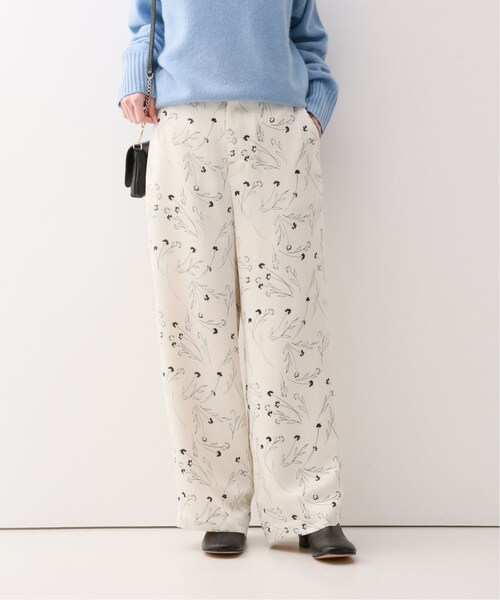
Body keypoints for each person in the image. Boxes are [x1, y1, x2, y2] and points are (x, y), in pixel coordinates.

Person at [117, 0, 357, 560]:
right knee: (196, 327)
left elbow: (308, 37)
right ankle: (217, 506)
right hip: (184, 128)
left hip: (278, 128)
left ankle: (310, 508)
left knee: (291, 324)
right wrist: (132, 81)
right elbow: (145, 23)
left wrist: (313, 114)